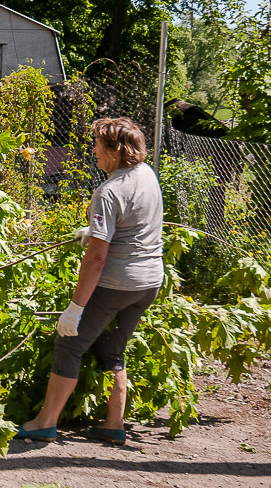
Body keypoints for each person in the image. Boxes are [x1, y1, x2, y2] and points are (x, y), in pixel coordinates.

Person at [17, 116, 164, 444]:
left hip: (117, 283)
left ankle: (45, 421)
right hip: (149, 282)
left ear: (115, 150)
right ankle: (114, 425)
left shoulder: (108, 191)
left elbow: (97, 259)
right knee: (112, 350)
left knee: (68, 344)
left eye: (98, 144)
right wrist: (95, 231)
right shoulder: (146, 174)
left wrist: (75, 308)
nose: (94, 149)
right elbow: (135, 221)